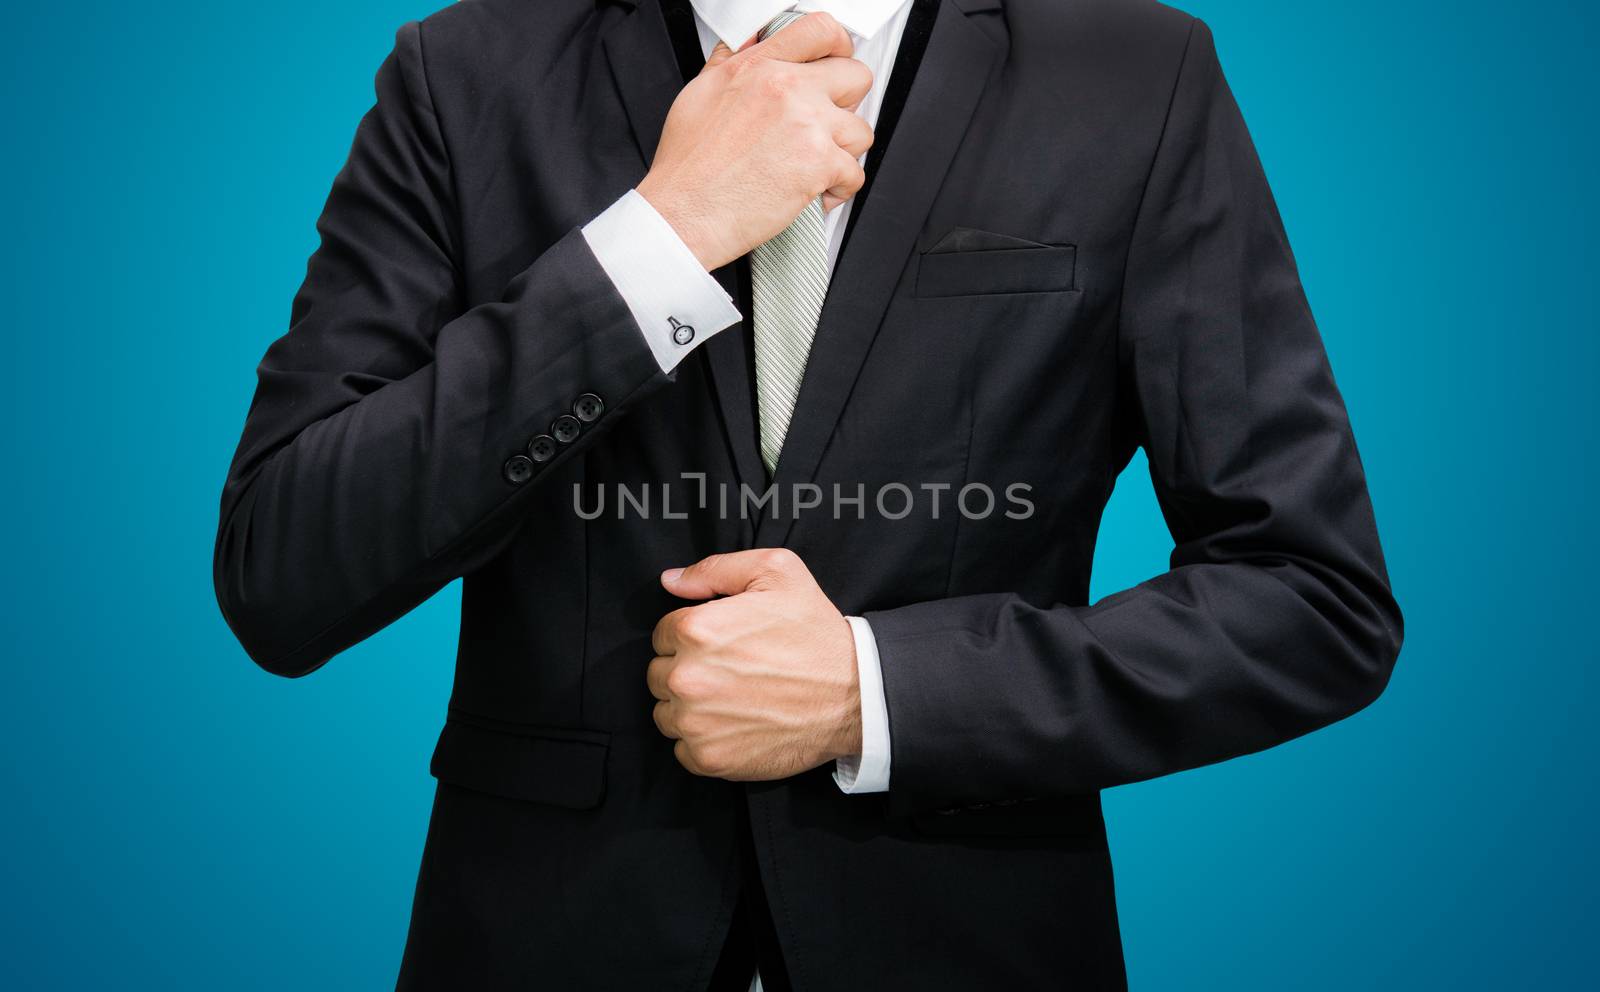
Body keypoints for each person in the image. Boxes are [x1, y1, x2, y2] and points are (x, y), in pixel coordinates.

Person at [213, 1, 1404, 988]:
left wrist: (873, 692)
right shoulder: (465, 70)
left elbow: (1310, 597)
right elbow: (283, 570)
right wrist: (659, 238)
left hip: (971, 936)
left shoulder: (1137, 74)